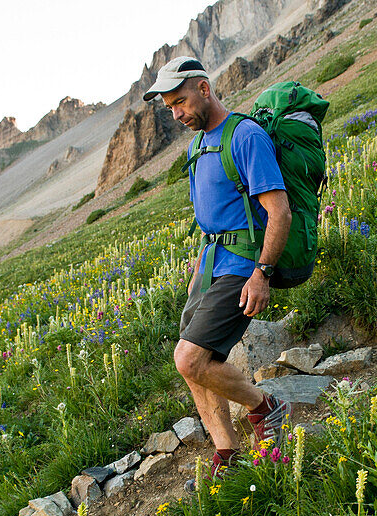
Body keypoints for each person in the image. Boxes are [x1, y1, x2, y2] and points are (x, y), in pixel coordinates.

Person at [142, 56, 292, 480]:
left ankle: (266, 407)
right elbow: (212, 221)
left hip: (243, 265)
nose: (177, 114)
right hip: (210, 266)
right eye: (170, 108)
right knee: (194, 362)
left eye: (181, 102)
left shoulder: (245, 136)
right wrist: (196, 277)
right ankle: (228, 453)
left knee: (189, 359)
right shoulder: (195, 148)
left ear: (204, 89)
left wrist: (261, 272)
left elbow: (279, 212)